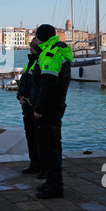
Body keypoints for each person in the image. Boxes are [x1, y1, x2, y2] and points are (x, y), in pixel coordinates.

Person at [32, 24, 73, 199]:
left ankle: (54, 187)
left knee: (48, 148)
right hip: (56, 107)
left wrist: (39, 109)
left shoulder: (50, 54)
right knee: (53, 145)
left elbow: (48, 84)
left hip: (48, 109)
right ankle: (51, 183)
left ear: (41, 37)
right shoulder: (57, 50)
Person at [17, 38, 43, 175]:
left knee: (39, 138)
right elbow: (24, 82)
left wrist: (31, 100)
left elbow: (40, 86)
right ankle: (34, 164)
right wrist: (20, 96)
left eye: (33, 45)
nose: (30, 47)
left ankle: (42, 167)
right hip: (26, 107)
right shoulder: (30, 63)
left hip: (35, 106)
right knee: (30, 137)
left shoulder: (41, 61)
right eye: (30, 45)